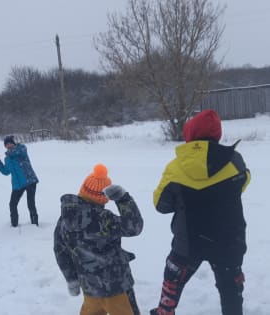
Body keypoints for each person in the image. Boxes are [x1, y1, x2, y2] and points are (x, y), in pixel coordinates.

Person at [150, 110, 251, 315]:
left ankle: (165, 311)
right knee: (231, 289)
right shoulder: (235, 161)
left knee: (173, 279)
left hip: (188, 242)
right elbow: (244, 183)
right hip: (228, 242)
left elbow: (161, 205)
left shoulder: (175, 167)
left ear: (190, 133)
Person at [54, 164, 143, 315]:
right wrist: (123, 199)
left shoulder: (64, 220)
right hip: (117, 287)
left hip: (89, 286)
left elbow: (60, 251)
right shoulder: (104, 218)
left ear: (82, 188)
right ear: (104, 197)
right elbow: (134, 227)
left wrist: (71, 279)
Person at [0, 135, 39, 227]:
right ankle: (14, 225)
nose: (8, 146)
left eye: (10, 143)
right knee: (12, 204)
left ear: (13, 143)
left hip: (29, 180)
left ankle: (35, 224)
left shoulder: (21, 150)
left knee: (31, 204)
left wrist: (10, 153)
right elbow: (6, 172)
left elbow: (19, 151)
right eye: (6, 144)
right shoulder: (7, 159)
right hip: (18, 184)